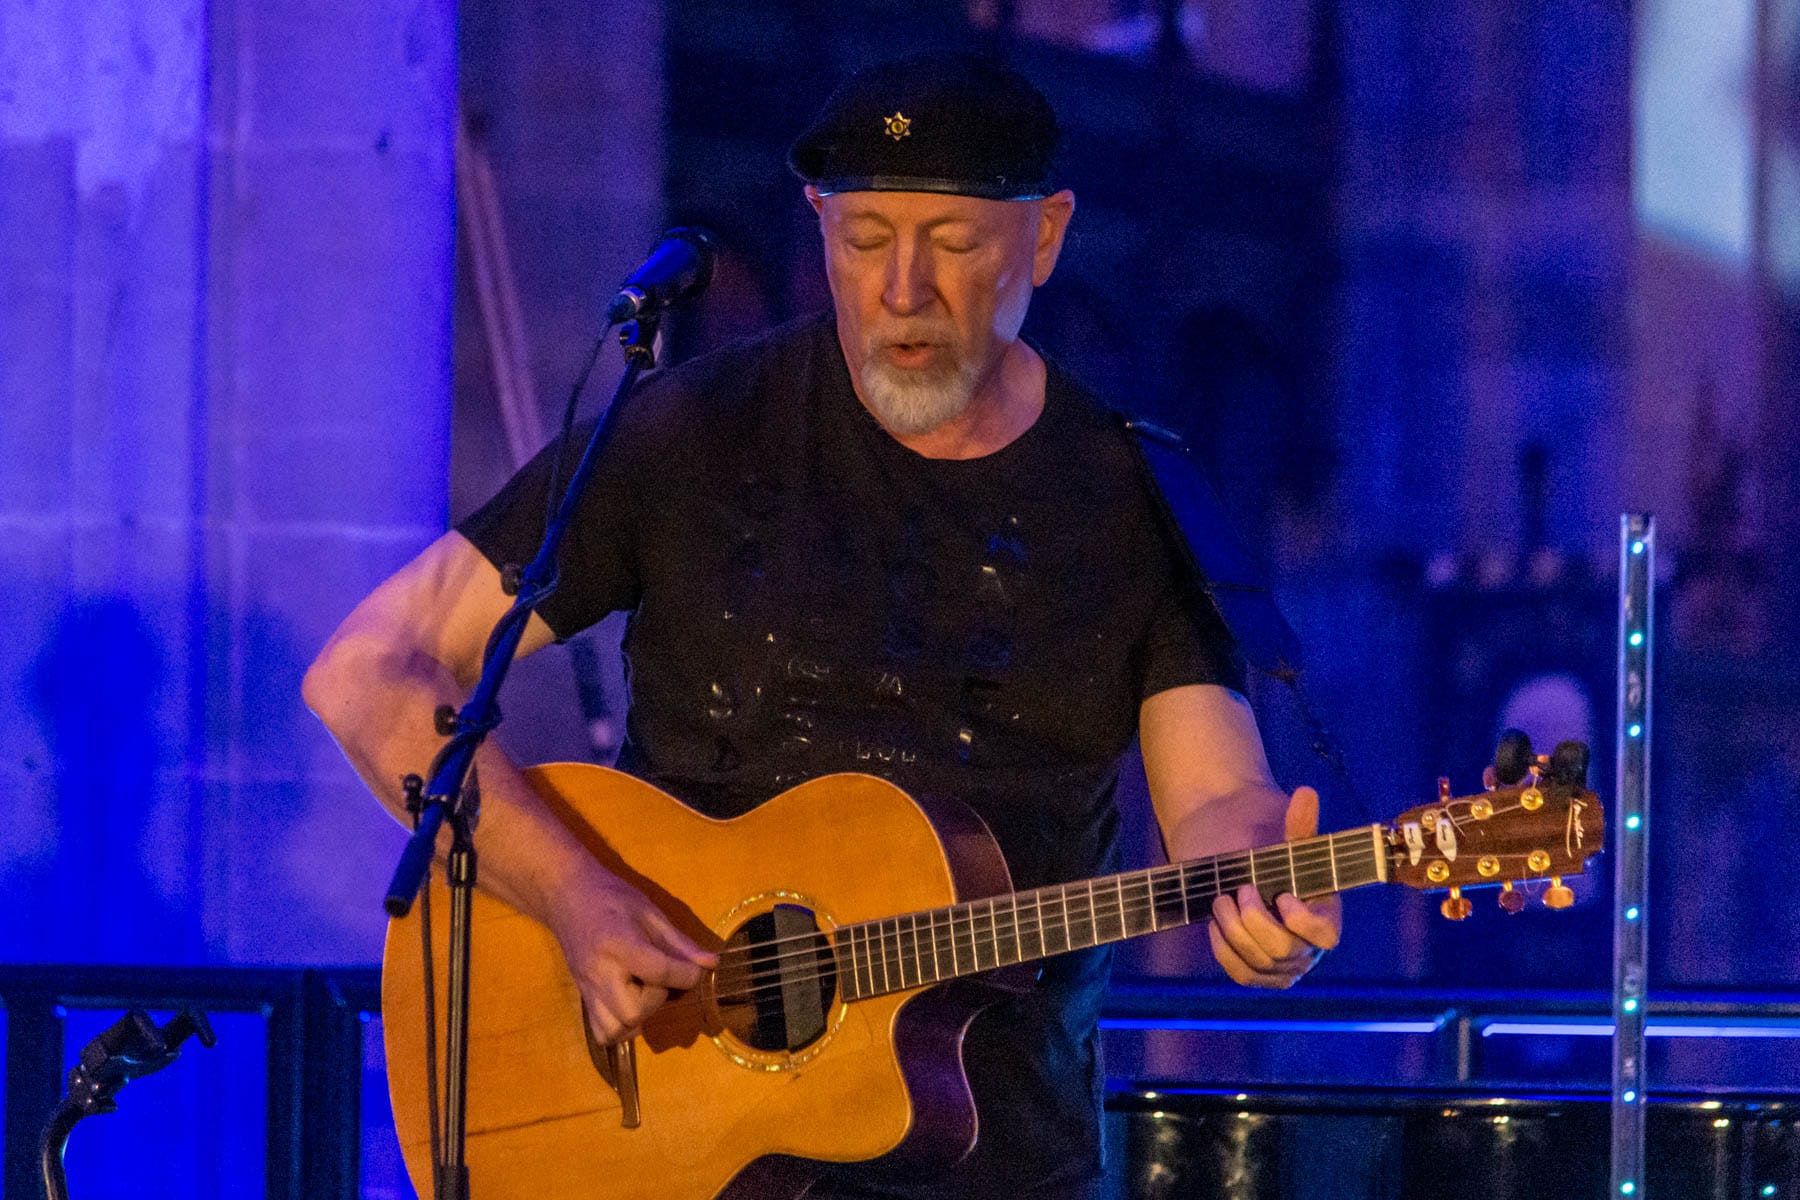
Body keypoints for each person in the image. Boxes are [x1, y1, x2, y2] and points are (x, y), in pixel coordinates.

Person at [304, 53, 1341, 1200]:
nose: (902, 288)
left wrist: (1267, 881)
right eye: (864, 239)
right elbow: (372, 670)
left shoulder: (1135, 497)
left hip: (998, 1163)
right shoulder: (693, 434)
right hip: (677, 1152)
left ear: (1045, 236)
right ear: (816, 226)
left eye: (953, 243)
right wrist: (571, 894)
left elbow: (1217, 797)